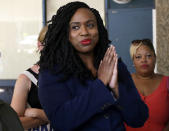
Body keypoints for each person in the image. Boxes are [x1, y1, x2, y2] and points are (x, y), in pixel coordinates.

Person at [38, 1, 149, 131]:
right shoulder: (51, 73)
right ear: (65, 34)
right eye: (75, 27)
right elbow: (61, 121)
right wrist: (101, 83)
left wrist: (116, 89)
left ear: (99, 29)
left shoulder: (114, 65)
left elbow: (139, 118)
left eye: (90, 25)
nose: (84, 32)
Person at [10, 26, 54, 131]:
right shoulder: (26, 78)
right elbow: (12, 123)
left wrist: (37, 113)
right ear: (39, 45)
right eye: (50, 44)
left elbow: (77, 116)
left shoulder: (74, 75)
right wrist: (50, 117)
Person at [125, 39, 169, 131]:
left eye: (148, 56)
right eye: (138, 57)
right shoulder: (123, 82)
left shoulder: (166, 83)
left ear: (155, 58)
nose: (144, 60)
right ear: (133, 60)